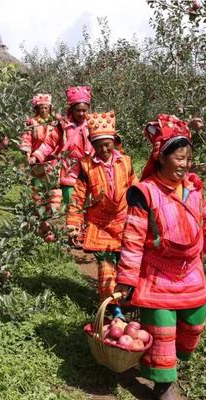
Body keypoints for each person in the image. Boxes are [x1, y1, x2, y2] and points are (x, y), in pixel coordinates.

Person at [114, 114, 206, 400]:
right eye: (178, 158)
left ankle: (166, 361)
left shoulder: (193, 190)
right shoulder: (145, 193)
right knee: (163, 333)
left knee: (194, 325)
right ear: (161, 157)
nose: (184, 164)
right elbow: (132, 239)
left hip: (190, 271)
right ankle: (164, 385)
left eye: (188, 159)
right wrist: (126, 280)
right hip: (158, 274)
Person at [66, 111, 136, 314]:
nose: (103, 149)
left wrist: (144, 212)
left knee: (127, 264)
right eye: (98, 145)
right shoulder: (87, 166)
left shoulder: (126, 162)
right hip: (100, 225)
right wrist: (73, 223)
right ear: (92, 145)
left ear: (114, 141)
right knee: (106, 268)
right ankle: (114, 310)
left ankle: (127, 301)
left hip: (124, 222)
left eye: (107, 144)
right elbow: (78, 196)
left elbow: (135, 188)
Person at [29, 85, 93, 209]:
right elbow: (49, 143)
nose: (81, 113)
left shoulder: (93, 124)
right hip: (70, 168)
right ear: (71, 110)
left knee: (90, 202)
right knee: (71, 202)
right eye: (77, 110)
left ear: (88, 109)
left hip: (90, 167)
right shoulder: (63, 126)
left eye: (84, 110)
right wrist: (36, 156)